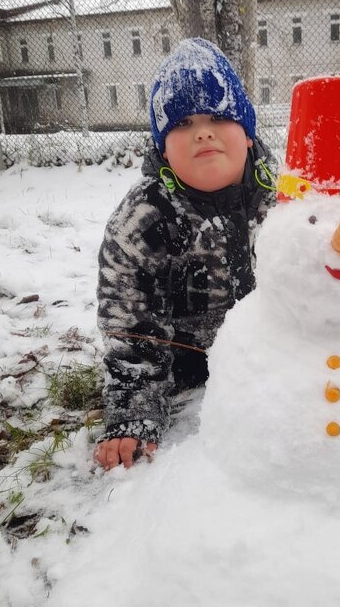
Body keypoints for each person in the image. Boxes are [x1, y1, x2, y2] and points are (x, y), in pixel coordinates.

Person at [95, 38, 276, 470]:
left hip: (276, 358)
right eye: (183, 123)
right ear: (162, 148)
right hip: (185, 372)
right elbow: (129, 324)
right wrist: (135, 409)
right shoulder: (141, 221)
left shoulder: (287, 200)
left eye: (218, 116)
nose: (203, 131)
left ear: (247, 134)